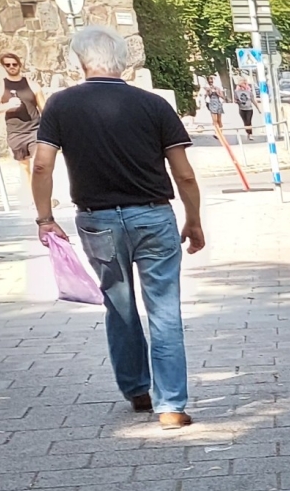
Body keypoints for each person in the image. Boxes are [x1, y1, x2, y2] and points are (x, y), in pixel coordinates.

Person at [30, 24, 206, 428]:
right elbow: (185, 175)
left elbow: (41, 164)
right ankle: (172, 406)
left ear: (81, 60)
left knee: (119, 304)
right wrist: (193, 219)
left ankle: (137, 389)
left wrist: (45, 218)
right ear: (122, 61)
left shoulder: (60, 105)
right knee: (164, 310)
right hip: (153, 217)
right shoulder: (154, 105)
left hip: (97, 221)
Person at [0, 52, 42, 194]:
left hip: (35, 129)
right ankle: (32, 196)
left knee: (39, 164)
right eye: (8, 65)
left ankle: (42, 195)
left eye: (14, 64)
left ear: (19, 65)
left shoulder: (32, 85)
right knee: (24, 166)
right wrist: (7, 105)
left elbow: (44, 108)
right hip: (15, 132)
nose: (12, 67)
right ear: (4, 67)